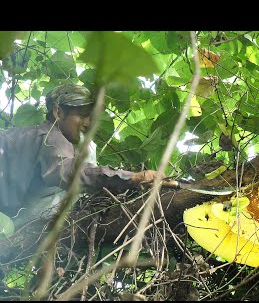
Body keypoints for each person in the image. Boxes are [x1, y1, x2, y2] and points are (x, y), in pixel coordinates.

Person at [0, 84, 157, 231]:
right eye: (82, 116)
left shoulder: (29, 135)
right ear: (58, 112)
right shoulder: (50, 137)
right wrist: (132, 177)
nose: (88, 124)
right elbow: (72, 174)